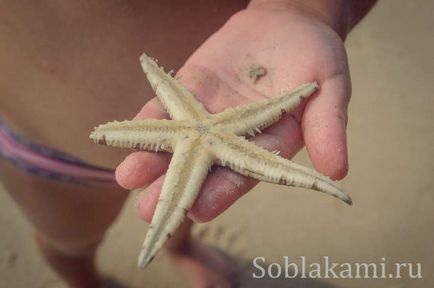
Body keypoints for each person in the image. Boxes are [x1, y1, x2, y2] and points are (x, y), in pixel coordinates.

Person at [0, 1, 377, 287]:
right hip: (45, 148)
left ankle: (179, 247)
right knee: (69, 240)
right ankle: (86, 281)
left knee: (186, 206)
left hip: (206, 113)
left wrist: (305, 8)